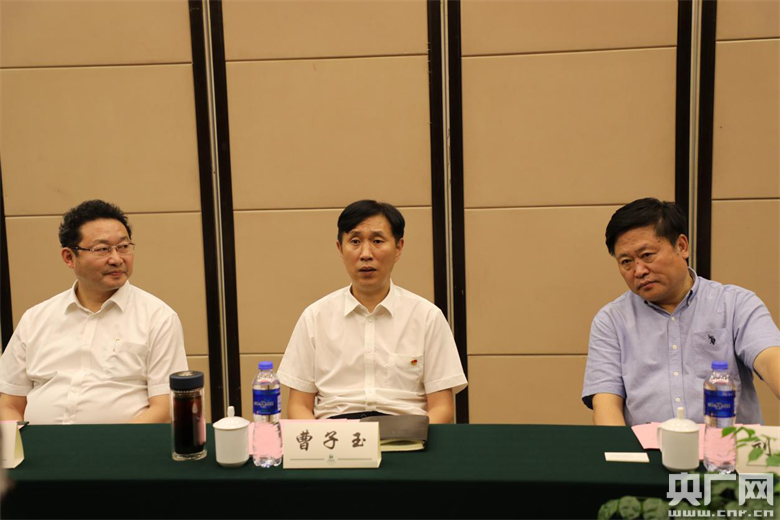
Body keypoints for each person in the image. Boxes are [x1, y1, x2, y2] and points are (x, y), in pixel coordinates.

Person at [582, 198, 780, 426]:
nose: (639, 271)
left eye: (647, 255)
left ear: (682, 246)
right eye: (626, 261)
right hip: (645, 446)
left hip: (727, 445)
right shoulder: (611, 320)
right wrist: (619, 448)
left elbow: (771, 360)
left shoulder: (735, 304)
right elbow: (606, 404)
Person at [278, 200, 467, 423]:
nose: (366, 254)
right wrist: (321, 441)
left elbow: (442, 408)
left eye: (377, 241)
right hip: (334, 435)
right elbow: (298, 406)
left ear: (398, 248)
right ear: (340, 248)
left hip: (406, 432)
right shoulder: (314, 317)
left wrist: (415, 437)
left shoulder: (427, 317)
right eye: (355, 241)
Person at [0, 200, 188, 424]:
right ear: (69, 257)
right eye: (102, 249)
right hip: (38, 443)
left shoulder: (158, 318)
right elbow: (9, 404)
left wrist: (112, 443)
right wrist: (18, 442)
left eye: (123, 247)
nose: (117, 259)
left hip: (122, 443)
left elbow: (164, 407)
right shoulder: (35, 319)